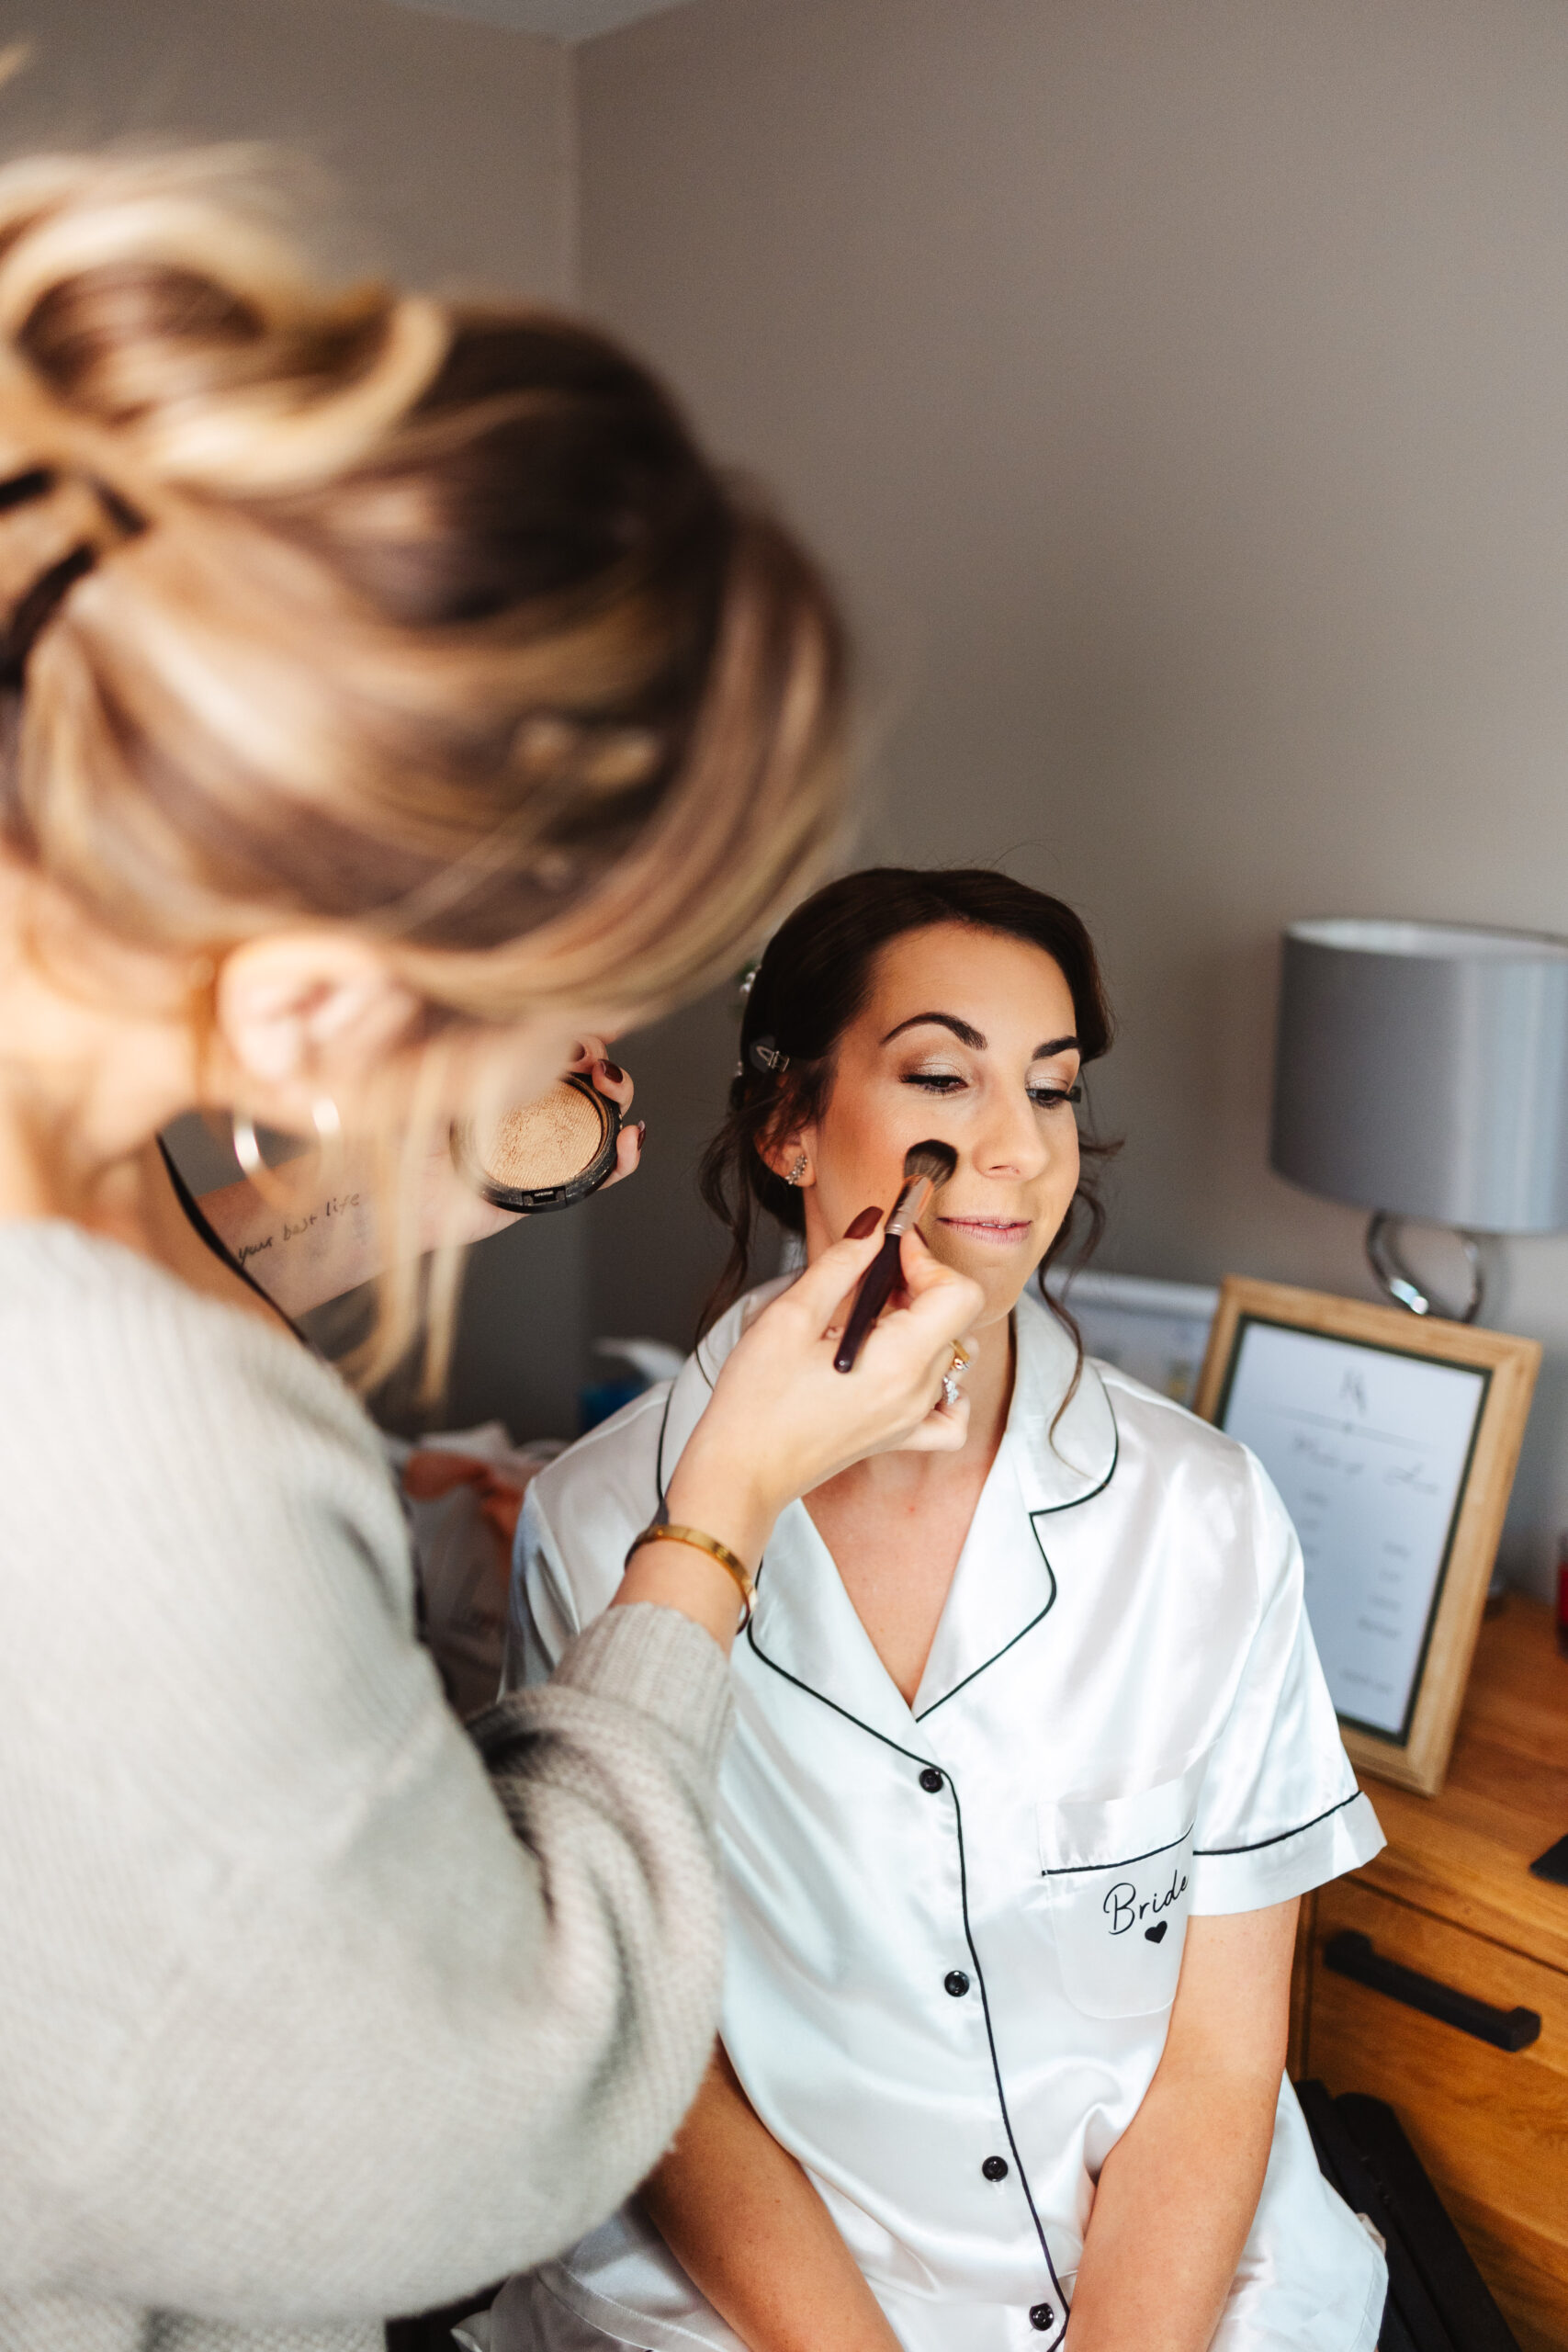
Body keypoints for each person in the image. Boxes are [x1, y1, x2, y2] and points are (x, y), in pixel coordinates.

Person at [0, 154, 981, 2352]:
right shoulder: (138, 1471)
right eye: (557, 988)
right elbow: (477, 2132)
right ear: (320, 1001)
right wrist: (717, 1500)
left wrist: (356, 1207)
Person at [498, 867, 1390, 2352]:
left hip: (1176, 2296)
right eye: (939, 1076)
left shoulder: (1200, 1511)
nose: (1016, 1151)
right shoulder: (604, 1526)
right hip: (756, 2309)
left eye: (1051, 1092)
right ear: (789, 1125)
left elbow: (1224, 2063)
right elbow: (661, 2069)